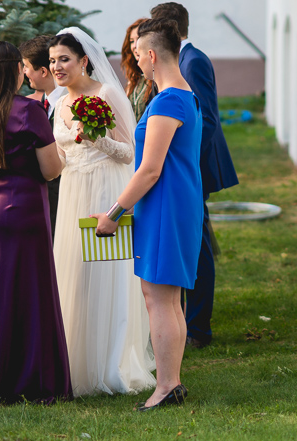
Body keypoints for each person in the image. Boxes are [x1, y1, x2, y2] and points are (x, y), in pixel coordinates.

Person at [95, 18, 202, 410]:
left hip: (165, 206)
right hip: (175, 203)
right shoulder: (184, 95)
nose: (136, 60)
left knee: (158, 298)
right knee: (167, 298)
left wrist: (113, 212)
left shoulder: (168, 100)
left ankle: (166, 385)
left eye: (138, 53)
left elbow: (149, 170)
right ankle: (172, 382)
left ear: (153, 55)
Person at [49, 28, 156, 397]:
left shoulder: (107, 93)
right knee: (74, 273)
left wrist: (100, 139)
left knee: (105, 274)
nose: (57, 66)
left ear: (83, 61)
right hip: (72, 192)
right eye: (52, 60)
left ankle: (109, 362)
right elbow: (60, 156)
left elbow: (130, 153)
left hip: (105, 191)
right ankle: (74, 360)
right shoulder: (59, 103)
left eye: (64, 59)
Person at [0, 41, 71, 406]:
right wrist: (64, 154)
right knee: (29, 292)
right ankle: (31, 381)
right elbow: (50, 170)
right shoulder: (29, 110)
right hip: (23, 212)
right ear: (16, 72)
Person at [151, 2, 238, 349]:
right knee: (194, 242)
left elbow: (208, 120)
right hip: (186, 169)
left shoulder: (193, 61)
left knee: (198, 247)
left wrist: (184, 165)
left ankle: (198, 327)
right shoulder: (183, 59)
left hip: (193, 169)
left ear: (167, 29)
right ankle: (187, 320)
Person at [20, 35, 66, 238]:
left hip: (65, 198)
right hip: (38, 202)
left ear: (43, 71)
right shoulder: (35, 105)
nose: (24, 72)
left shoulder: (71, 101)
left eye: (26, 66)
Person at [122, 18, 157, 121]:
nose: (134, 46)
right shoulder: (134, 78)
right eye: (131, 41)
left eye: (139, 39)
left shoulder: (158, 77)